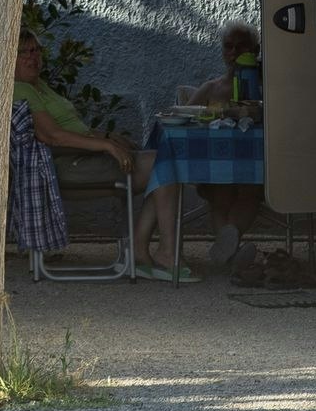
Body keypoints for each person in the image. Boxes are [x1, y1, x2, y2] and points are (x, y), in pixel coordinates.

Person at [13, 30, 194, 282]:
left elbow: (75, 129)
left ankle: (143, 251)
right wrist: (107, 147)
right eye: (25, 52)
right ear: (11, 58)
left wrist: (109, 138)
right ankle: (160, 252)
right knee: (162, 163)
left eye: (36, 50)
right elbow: (52, 136)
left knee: (161, 163)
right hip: (64, 166)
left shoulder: (38, 86)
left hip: (81, 157)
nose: (33, 57)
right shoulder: (20, 90)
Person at [180, 22, 265, 267]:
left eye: (241, 46)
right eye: (228, 46)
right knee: (220, 192)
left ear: (255, 50)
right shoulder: (211, 88)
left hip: (256, 166)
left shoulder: (268, 87)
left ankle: (226, 253)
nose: (234, 52)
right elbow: (185, 116)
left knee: (250, 188)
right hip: (216, 167)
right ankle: (233, 255)